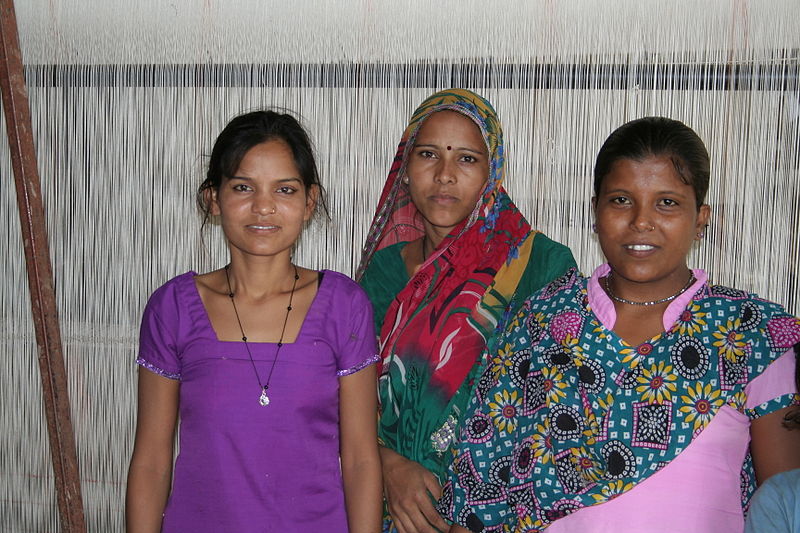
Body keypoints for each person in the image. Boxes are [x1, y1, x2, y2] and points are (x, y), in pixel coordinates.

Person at [442, 117, 800, 532]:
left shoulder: (754, 333)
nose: (641, 221)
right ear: (595, 211)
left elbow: (785, 506)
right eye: (621, 200)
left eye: (667, 202)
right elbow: (480, 488)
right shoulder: (542, 322)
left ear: (701, 217)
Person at [126, 110, 382, 533]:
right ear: (213, 199)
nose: (263, 206)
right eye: (243, 187)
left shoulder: (344, 306)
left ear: (309, 202)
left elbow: (359, 460)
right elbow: (151, 461)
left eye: (284, 189)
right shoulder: (172, 308)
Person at [357, 89, 576, 533]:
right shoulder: (382, 273)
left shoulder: (540, 265)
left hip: (503, 513)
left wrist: (483, 510)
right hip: (392, 508)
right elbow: (348, 392)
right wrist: (387, 464)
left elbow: (557, 408)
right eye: (428, 154)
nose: (443, 175)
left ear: (493, 169)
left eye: (467, 159)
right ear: (405, 167)